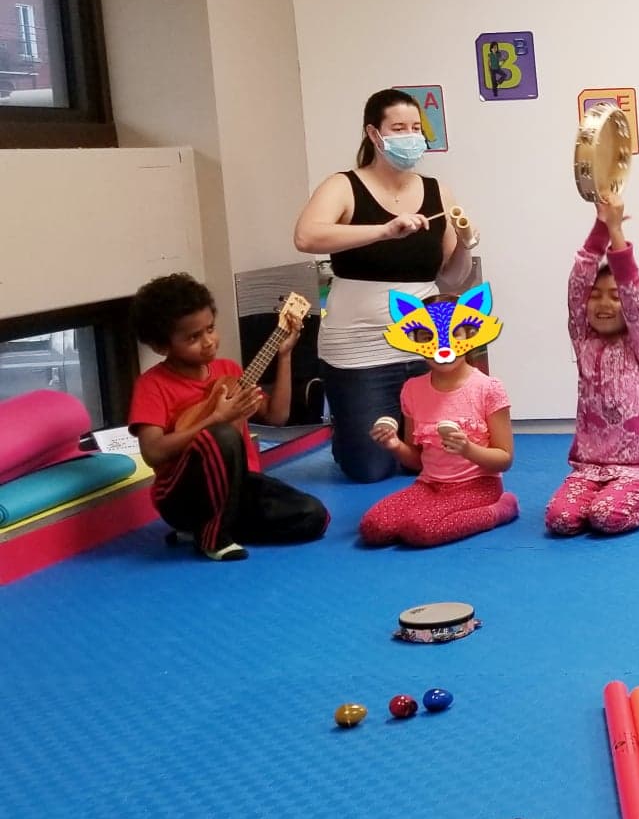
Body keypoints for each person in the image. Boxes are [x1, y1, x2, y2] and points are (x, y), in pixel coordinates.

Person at [293, 88, 481, 483]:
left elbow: (451, 277)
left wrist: (465, 242)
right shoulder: (343, 185)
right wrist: (383, 230)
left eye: (416, 128)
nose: (410, 136)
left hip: (425, 342)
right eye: (398, 128)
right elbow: (306, 237)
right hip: (359, 348)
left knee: (436, 459)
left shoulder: (437, 190)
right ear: (374, 134)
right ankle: (348, 431)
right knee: (370, 469)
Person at [127, 273, 329, 561]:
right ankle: (212, 538)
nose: (208, 342)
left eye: (210, 329)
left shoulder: (229, 370)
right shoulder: (152, 385)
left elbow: (277, 417)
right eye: (193, 337)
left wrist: (284, 356)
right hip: (181, 497)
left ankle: (209, 528)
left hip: (239, 487)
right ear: (162, 346)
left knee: (314, 516)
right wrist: (215, 418)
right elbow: (153, 452)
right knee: (221, 434)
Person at [545, 192, 639, 536]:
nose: (603, 304)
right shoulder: (584, 339)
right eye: (596, 296)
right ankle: (602, 494)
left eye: (614, 297)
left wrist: (616, 232)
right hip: (589, 469)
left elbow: (632, 291)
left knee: (605, 517)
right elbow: (578, 281)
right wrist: (600, 225)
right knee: (560, 520)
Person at [358, 285, 517, 547]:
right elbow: (417, 461)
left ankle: (501, 509)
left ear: (471, 334)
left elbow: (504, 460)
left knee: (420, 529)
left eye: (455, 334)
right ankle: (431, 512)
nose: (442, 346)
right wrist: (395, 446)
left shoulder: (488, 388)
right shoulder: (412, 389)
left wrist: (467, 449)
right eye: (427, 336)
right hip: (429, 485)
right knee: (373, 527)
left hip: (479, 485)